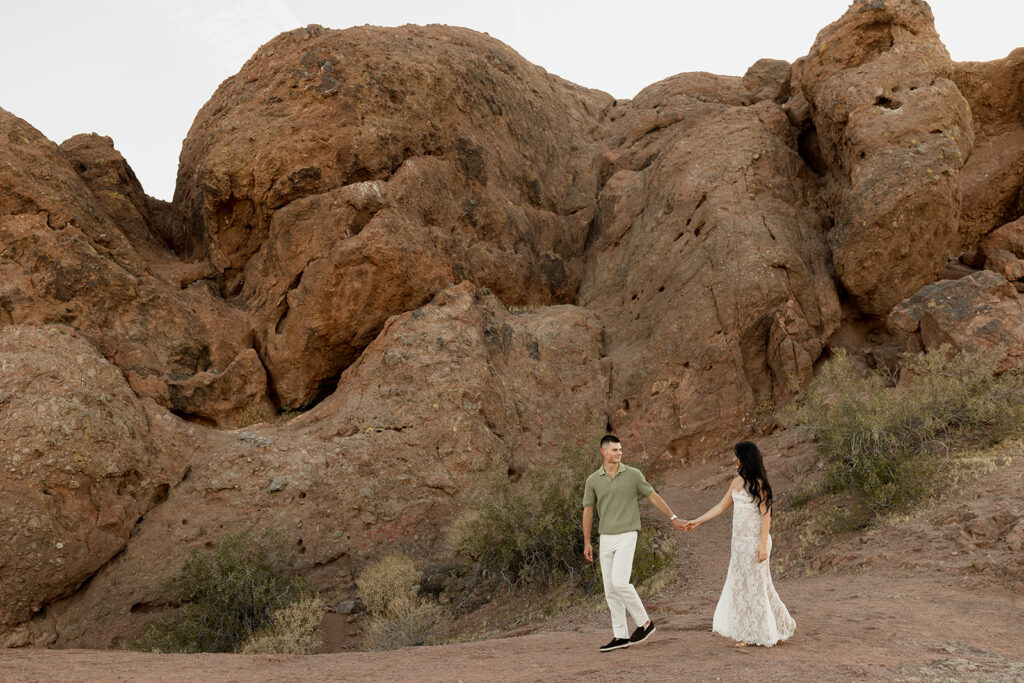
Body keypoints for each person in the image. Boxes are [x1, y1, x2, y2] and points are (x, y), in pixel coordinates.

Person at [682, 441, 795, 647]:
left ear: (745, 458)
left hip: (755, 543)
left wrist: (762, 545)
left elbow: (766, 516)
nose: (734, 459)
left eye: (736, 455)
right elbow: (720, 507)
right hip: (739, 545)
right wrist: (697, 521)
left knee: (757, 587)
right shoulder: (736, 482)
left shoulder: (759, 484)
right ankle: (774, 625)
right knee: (742, 587)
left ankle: (759, 633)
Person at [583, 434, 686, 652]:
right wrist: (586, 541)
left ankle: (645, 623)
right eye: (614, 450)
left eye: (620, 450)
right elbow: (588, 510)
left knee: (620, 582)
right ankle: (620, 636)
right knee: (610, 589)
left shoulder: (633, 475)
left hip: (628, 534)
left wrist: (673, 517)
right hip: (605, 537)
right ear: (603, 452)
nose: (619, 453)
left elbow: (653, 496)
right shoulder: (593, 480)